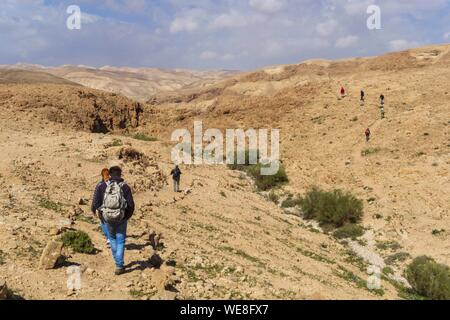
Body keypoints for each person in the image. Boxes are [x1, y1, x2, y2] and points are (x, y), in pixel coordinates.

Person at [91, 166, 135, 275]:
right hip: (121, 218)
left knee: (112, 238)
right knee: (120, 240)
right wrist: (126, 217)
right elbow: (131, 205)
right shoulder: (125, 187)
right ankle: (119, 265)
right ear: (120, 174)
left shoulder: (102, 186)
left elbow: (96, 203)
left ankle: (118, 263)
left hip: (107, 219)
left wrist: (103, 214)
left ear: (110, 175)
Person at [92, 169, 112, 249]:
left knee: (103, 222)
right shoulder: (115, 184)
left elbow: (95, 198)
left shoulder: (100, 185)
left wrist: (94, 208)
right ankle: (112, 238)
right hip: (114, 208)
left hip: (103, 209)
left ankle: (109, 238)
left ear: (102, 176)